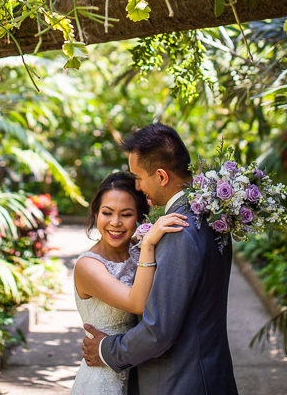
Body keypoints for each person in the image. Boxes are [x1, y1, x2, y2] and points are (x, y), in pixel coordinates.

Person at [82, 123, 239, 394]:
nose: (138, 186)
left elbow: (159, 331)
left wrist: (107, 350)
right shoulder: (213, 218)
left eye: (139, 177)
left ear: (162, 176)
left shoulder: (178, 230)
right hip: (210, 374)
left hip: (181, 382)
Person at [71, 171, 188, 395]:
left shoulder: (137, 248)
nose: (115, 222)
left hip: (141, 369)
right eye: (107, 213)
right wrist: (148, 245)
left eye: (126, 214)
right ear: (96, 213)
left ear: (139, 217)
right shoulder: (88, 266)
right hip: (103, 376)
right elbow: (137, 303)